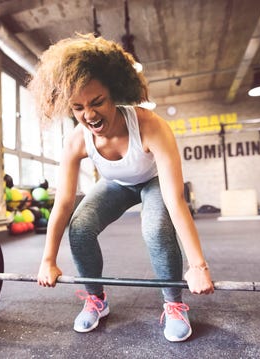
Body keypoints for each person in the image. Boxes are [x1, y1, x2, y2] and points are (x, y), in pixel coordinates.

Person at [30, 33, 214, 342]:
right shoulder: (77, 140)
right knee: (80, 226)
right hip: (116, 183)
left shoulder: (150, 126)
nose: (89, 115)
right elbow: (63, 201)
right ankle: (96, 299)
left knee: (155, 228)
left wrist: (198, 265)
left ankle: (174, 303)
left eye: (97, 102)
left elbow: (175, 199)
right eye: (78, 107)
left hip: (153, 181)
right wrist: (48, 259)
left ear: (115, 94)